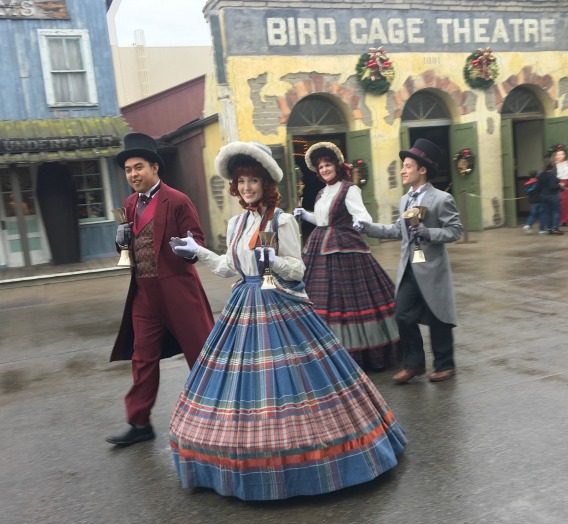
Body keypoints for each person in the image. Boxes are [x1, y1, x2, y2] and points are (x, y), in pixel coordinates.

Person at [167, 141, 407, 501]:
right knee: (243, 392)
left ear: (265, 184)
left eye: (253, 181)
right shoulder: (236, 223)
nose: (247, 187)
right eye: (241, 181)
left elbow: (298, 269)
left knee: (292, 385)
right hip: (243, 304)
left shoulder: (282, 221)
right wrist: (198, 252)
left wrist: (273, 260)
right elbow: (228, 267)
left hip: (281, 303)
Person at [106, 133, 215, 446]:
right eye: (128, 170)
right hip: (143, 292)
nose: (133, 175)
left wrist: (187, 248)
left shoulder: (177, 200)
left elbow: (199, 241)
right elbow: (127, 248)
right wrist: (120, 239)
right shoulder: (128, 204)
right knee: (142, 357)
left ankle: (218, 414)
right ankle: (140, 422)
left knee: (200, 353)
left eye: (138, 167)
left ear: (155, 167)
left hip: (178, 289)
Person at [354, 138, 463, 384]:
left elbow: (455, 230)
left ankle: (445, 365)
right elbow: (397, 231)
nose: (403, 170)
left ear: (422, 170)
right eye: (403, 166)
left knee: (438, 318)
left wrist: (430, 234)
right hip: (409, 269)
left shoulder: (441, 199)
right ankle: (414, 364)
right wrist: (368, 227)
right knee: (403, 315)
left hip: (432, 270)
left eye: (407, 166)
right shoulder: (406, 200)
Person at [293, 142, 400, 370]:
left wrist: (362, 224)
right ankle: (322, 349)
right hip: (319, 248)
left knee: (345, 300)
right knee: (319, 298)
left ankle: (354, 350)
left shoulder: (349, 189)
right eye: (320, 166)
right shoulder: (322, 192)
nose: (324, 169)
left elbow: (363, 216)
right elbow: (323, 220)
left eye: (327, 164)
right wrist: (306, 215)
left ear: (337, 166)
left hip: (343, 250)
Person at [538, 158, 564, 235]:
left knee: (547, 213)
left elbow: (539, 187)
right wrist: (560, 185)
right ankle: (555, 228)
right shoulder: (552, 175)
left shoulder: (540, 175)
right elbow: (552, 186)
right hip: (552, 196)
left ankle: (549, 228)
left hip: (543, 195)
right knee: (556, 212)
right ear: (552, 165)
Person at [553, 145, 568, 227]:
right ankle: (558, 220)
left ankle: (565, 220)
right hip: (559, 184)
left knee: (566, 203)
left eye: (562, 154)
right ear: (555, 156)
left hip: (567, 183)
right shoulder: (554, 165)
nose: (560, 156)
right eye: (558, 154)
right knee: (559, 202)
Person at [523, 170, 543, 234]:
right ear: (536, 176)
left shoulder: (526, 184)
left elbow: (526, 192)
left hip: (532, 202)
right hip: (540, 201)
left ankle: (529, 225)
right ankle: (541, 230)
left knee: (532, 215)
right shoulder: (538, 183)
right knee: (541, 215)